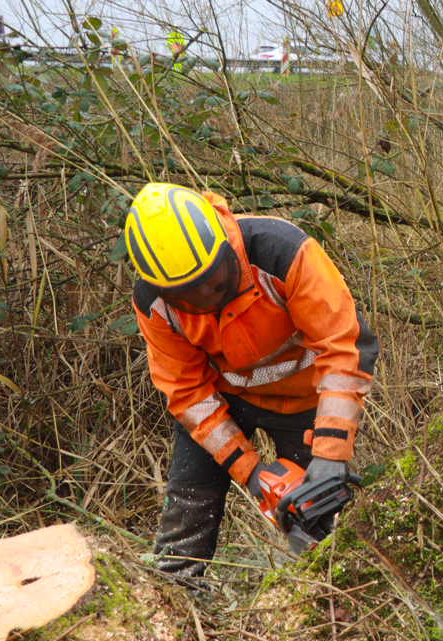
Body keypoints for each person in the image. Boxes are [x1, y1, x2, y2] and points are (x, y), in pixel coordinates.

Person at [125, 183, 378, 583]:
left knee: (315, 517)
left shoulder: (281, 251)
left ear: (224, 245)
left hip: (303, 401)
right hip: (225, 401)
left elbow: (344, 346)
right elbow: (188, 394)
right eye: (191, 295)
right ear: (164, 291)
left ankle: (326, 596)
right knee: (190, 500)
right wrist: (250, 471)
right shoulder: (155, 306)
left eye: (215, 278)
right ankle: (176, 595)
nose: (208, 295)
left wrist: (331, 454)